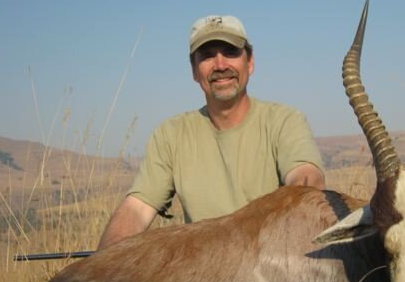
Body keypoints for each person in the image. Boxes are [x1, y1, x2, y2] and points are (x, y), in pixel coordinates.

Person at [98, 15, 325, 250]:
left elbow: (307, 182)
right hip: (202, 274)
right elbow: (136, 209)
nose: (220, 65)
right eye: (207, 56)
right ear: (194, 71)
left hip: (268, 262)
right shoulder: (171, 134)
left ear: (250, 63)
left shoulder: (284, 120)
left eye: (231, 52)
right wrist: (101, 268)